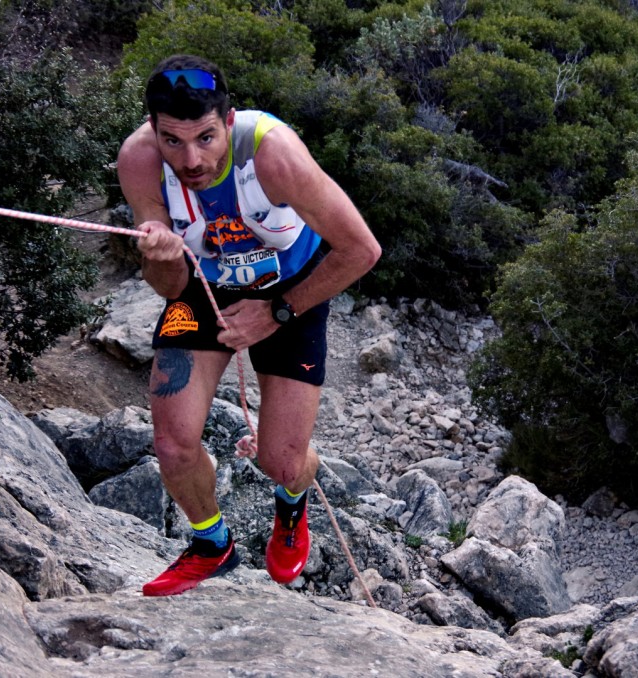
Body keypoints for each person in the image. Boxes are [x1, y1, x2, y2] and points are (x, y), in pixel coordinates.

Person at [117, 55, 381, 596]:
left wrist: (278, 311)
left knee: (280, 462)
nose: (191, 159)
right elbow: (168, 287)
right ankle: (212, 545)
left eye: (206, 138)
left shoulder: (274, 156)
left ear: (229, 119)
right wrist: (164, 254)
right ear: (153, 129)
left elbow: (361, 250)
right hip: (203, 288)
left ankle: (292, 503)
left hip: (291, 290)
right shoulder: (140, 161)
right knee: (172, 444)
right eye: (173, 141)